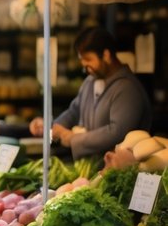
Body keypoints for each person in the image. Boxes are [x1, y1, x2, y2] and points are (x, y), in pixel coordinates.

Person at [28, 26, 152, 160]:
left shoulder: (128, 88)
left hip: (116, 168)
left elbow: (117, 132)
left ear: (106, 55)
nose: (84, 66)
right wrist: (54, 128)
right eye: (82, 60)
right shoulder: (90, 81)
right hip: (88, 166)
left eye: (88, 59)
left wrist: (74, 139)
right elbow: (74, 111)